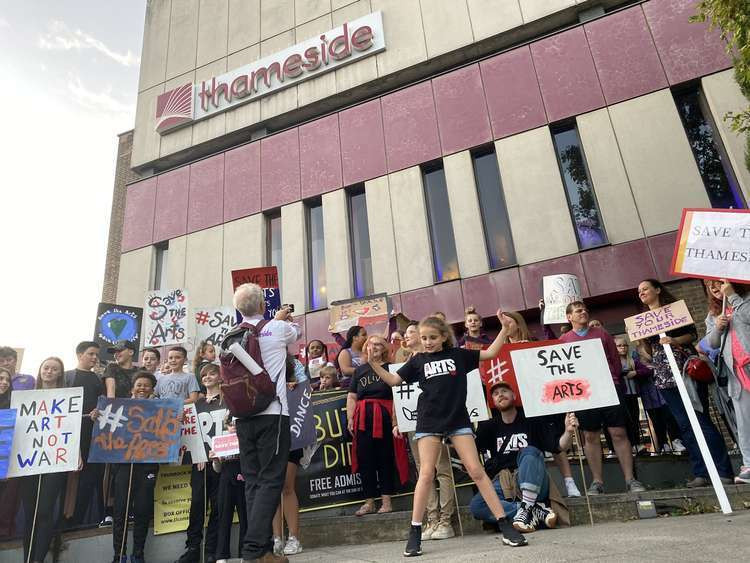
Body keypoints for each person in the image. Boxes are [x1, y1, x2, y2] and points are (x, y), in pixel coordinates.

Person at [371, 313, 528, 556]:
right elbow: (393, 380)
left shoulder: (459, 355)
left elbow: (491, 354)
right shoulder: (417, 361)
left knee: (476, 471)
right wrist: (372, 363)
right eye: (424, 338)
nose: (428, 342)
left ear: (444, 336)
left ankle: (504, 524)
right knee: (426, 474)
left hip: (458, 420)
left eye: (432, 337)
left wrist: (505, 330)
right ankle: (415, 531)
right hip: (428, 421)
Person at [637, 279, 734, 486]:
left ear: (657, 289)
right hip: (664, 377)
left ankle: (722, 470)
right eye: (639, 291)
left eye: (645, 288)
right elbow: (648, 350)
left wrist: (674, 341)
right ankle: (702, 472)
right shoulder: (643, 320)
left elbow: (692, 334)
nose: (641, 293)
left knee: (700, 419)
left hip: (685, 371)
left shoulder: (675, 310)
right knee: (684, 425)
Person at [232, 283, 300, 563]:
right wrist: (280, 319)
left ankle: (262, 552)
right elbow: (297, 334)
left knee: (252, 482)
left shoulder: (230, 335)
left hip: (242, 416)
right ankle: (253, 551)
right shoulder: (278, 328)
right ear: (263, 305)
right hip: (273, 412)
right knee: (271, 480)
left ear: (238, 308)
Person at [559, 302, 646, 494]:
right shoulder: (564, 340)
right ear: (569, 317)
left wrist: (611, 380)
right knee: (590, 435)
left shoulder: (602, 334)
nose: (583, 312)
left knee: (618, 432)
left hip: (608, 387)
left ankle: (630, 479)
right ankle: (597, 482)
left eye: (585, 309)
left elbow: (615, 361)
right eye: (578, 310)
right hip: (584, 393)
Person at [471, 381, 576, 533]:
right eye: (495, 393)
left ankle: (525, 508)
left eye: (504, 391)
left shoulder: (532, 420)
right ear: (493, 402)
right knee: (477, 506)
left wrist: (568, 431)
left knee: (529, 451)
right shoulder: (489, 426)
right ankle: (533, 510)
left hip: (534, 479)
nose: (500, 394)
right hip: (504, 482)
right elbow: (471, 449)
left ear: (513, 395)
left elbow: (559, 446)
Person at [500, 311, 581, 498]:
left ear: (518, 323)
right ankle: (534, 490)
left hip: (543, 402)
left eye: (508, 322)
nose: (505, 326)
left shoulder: (535, 342)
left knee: (554, 444)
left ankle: (570, 483)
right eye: (502, 323)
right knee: (529, 447)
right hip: (520, 406)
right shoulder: (500, 351)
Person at [396, 321, 457, 541]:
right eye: (410, 333)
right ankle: (431, 519)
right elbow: (397, 390)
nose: (410, 335)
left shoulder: (439, 357)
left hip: (440, 421)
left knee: (442, 469)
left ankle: (445, 520)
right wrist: (397, 420)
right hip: (414, 423)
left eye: (413, 332)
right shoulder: (404, 362)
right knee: (424, 472)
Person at [91, 371, 160, 563]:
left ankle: (138, 554)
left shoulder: (160, 409)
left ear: (152, 389)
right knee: (120, 510)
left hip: (147, 467)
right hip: (123, 467)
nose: (142, 388)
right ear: (132, 388)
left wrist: (175, 423)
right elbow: (105, 425)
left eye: (146, 385)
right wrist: (98, 416)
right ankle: (118, 554)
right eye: (139, 384)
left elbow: (167, 433)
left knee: (143, 511)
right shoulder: (117, 407)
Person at [347, 335, 409, 517]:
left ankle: (387, 501)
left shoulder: (391, 369)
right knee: (365, 459)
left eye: (377, 344)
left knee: (385, 458)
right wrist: (350, 417)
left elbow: (398, 394)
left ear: (384, 349)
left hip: (384, 416)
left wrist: (396, 420)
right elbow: (352, 396)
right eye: (370, 344)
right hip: (363, 417)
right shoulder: (360, 371)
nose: (372, 347)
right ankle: (369, 502)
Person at [21, 357, 68, 563]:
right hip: (28, 460)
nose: (49, 371)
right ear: (40, 370)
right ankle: (28, 559)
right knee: (30, 514)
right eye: (46, 368)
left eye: (54, 369)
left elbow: (71, 429)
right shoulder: (26, 398)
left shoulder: (68, 398)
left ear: (60, 373)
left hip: (56, 460)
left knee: (45, 510)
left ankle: (38, 560)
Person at [704, 278, 750, 484]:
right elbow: (711, 344)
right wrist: (717, 328)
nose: (714, 288)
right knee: (744, 419)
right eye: (709, 285)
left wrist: (733, 296)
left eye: (717, 282)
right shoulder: (713, 314)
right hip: (736, 373)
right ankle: (749, 464)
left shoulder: (745, 299)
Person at [176, 362, 221, 563]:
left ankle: (212, 550)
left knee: (219, 506)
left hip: (224, 463)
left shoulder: (228, 401)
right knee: (196, 505)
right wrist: (199, 455)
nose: (208, 377)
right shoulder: (195, 405)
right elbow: (190, 435)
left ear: (220, 377)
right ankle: (193, 549)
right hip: (200, 463)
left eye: (212, 373)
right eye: (204, 374)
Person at [64, 340, 107, 526]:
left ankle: (78, 521)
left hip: (91, 436)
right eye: (91, 354)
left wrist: (99, 411)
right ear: (79, 355)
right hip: (68, 433)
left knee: (88, 479)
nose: (95, 358)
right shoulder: (66, 377)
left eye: (97, 355)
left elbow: (103, 404)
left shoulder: (99, 380)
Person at [272, 356, 308, 556]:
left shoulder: (294, 365)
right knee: (271, 487)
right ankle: (276, 539)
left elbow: (305, 391)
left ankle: (294, 538)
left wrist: (297, 386)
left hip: (292, 432)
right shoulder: (261, 365)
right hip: (268, 433)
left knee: (286, 485)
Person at [213, 415, 247, 563]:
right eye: (229, 424)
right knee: (223, 517)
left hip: (243, 479)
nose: (232, 426)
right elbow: (217, 469)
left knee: (245, 517)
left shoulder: (246, 439)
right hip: (226, 480)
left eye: (235, 423)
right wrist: (215, 460)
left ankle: (245, 552)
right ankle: (221, 555)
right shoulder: (220, 442)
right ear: (226, 426)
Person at [615, 336, 647, 454]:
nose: (622, 348)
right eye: (619, 346)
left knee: (635, 419)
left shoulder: (632, 360)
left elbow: (646, 370)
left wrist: (635, 372)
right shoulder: (615, 362)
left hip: (633, 394)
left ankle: (636, 444)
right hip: (623, 395)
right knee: (626, 421)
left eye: (625, 345)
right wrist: (622, 373)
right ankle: (630, 445)